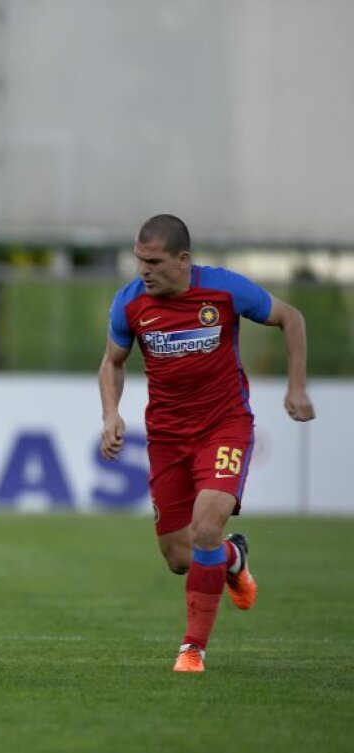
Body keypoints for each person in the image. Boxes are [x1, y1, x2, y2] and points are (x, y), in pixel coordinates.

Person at [98, 213, 315, 672]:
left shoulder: (225, 290)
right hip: (166, 437)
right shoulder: (130, 303)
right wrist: (111, 413)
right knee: (181, 558)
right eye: (139, 260)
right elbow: (112, 362)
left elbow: (289, 318)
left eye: (153, 261)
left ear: (183, 260)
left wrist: (296, 387)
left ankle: (192, 648)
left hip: (224, 425)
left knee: (205, 530)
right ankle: (233, 556)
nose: (144, 271)